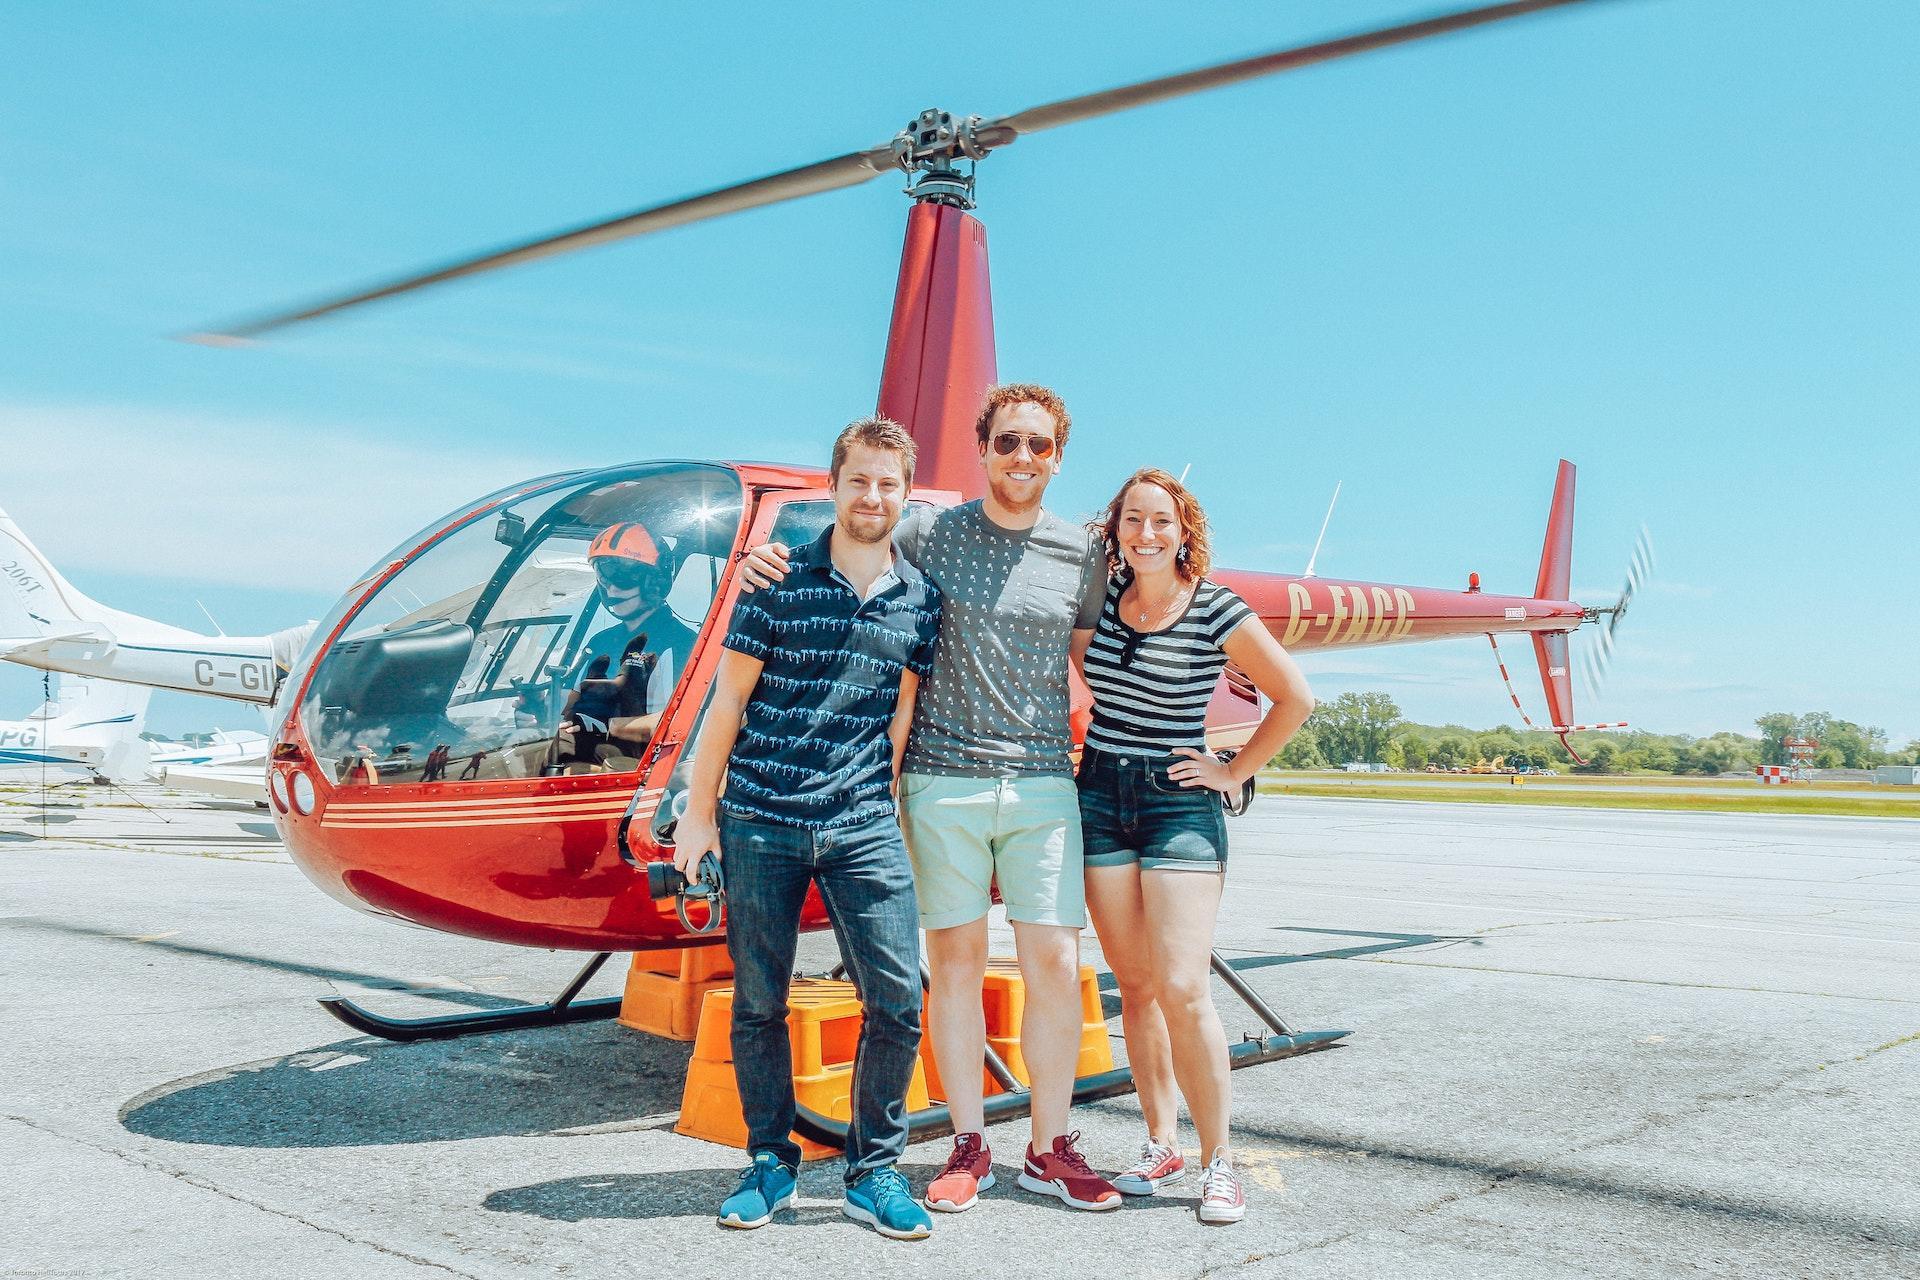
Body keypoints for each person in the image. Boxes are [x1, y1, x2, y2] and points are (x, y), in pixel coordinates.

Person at [741, 384, 1120, 1213]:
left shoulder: (1081, 554)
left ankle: (1050, 1147)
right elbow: (853, 537)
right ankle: (968, 1141)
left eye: (1041, 446)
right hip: (940, 781)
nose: (1024, 457)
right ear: (981, 450)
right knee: (952, 964)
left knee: (1054, 961)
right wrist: (768, 559)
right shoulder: (928, 530)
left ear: (1059, 457)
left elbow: (1096, 661)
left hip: (1043, 781)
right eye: (1008, 442)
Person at [673, 417, 943, 1239]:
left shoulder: (920, 601)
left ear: (905, 492)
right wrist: (698, 812)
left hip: (862, 822)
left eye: (888, 483)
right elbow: (727, 703)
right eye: (859, 480)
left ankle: (875, 1167)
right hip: (761, 819)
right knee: (759, 1001)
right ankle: (769, 1161)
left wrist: (888, 810)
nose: (873, 496)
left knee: (897, 1000)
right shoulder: (777, 581)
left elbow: (898, 720)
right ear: (835, 486)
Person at [1073, 467, 1314, 1225]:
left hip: (1180, 800)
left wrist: (1233, 770)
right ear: (1115, 532)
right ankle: (1159, 1142)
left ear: (1184, 534)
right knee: (1135, 987)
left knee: (1182, 987)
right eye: (1133, 521)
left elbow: (1295, 698)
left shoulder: (1214, 606)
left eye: (1162, 521)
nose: (1147, 533)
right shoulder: (1101, 605)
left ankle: (1220, 1162)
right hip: (1101, 795)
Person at [553, 522, 698, 764]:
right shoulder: (601, 640)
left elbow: (683, 721)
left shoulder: (681, 644)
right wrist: (538, 710)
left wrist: (607, 727)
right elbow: (571, 700)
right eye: (603, 575)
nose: (610, 586)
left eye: (620, 575)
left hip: (634, 768)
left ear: (654, 580)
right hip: (582, 754)